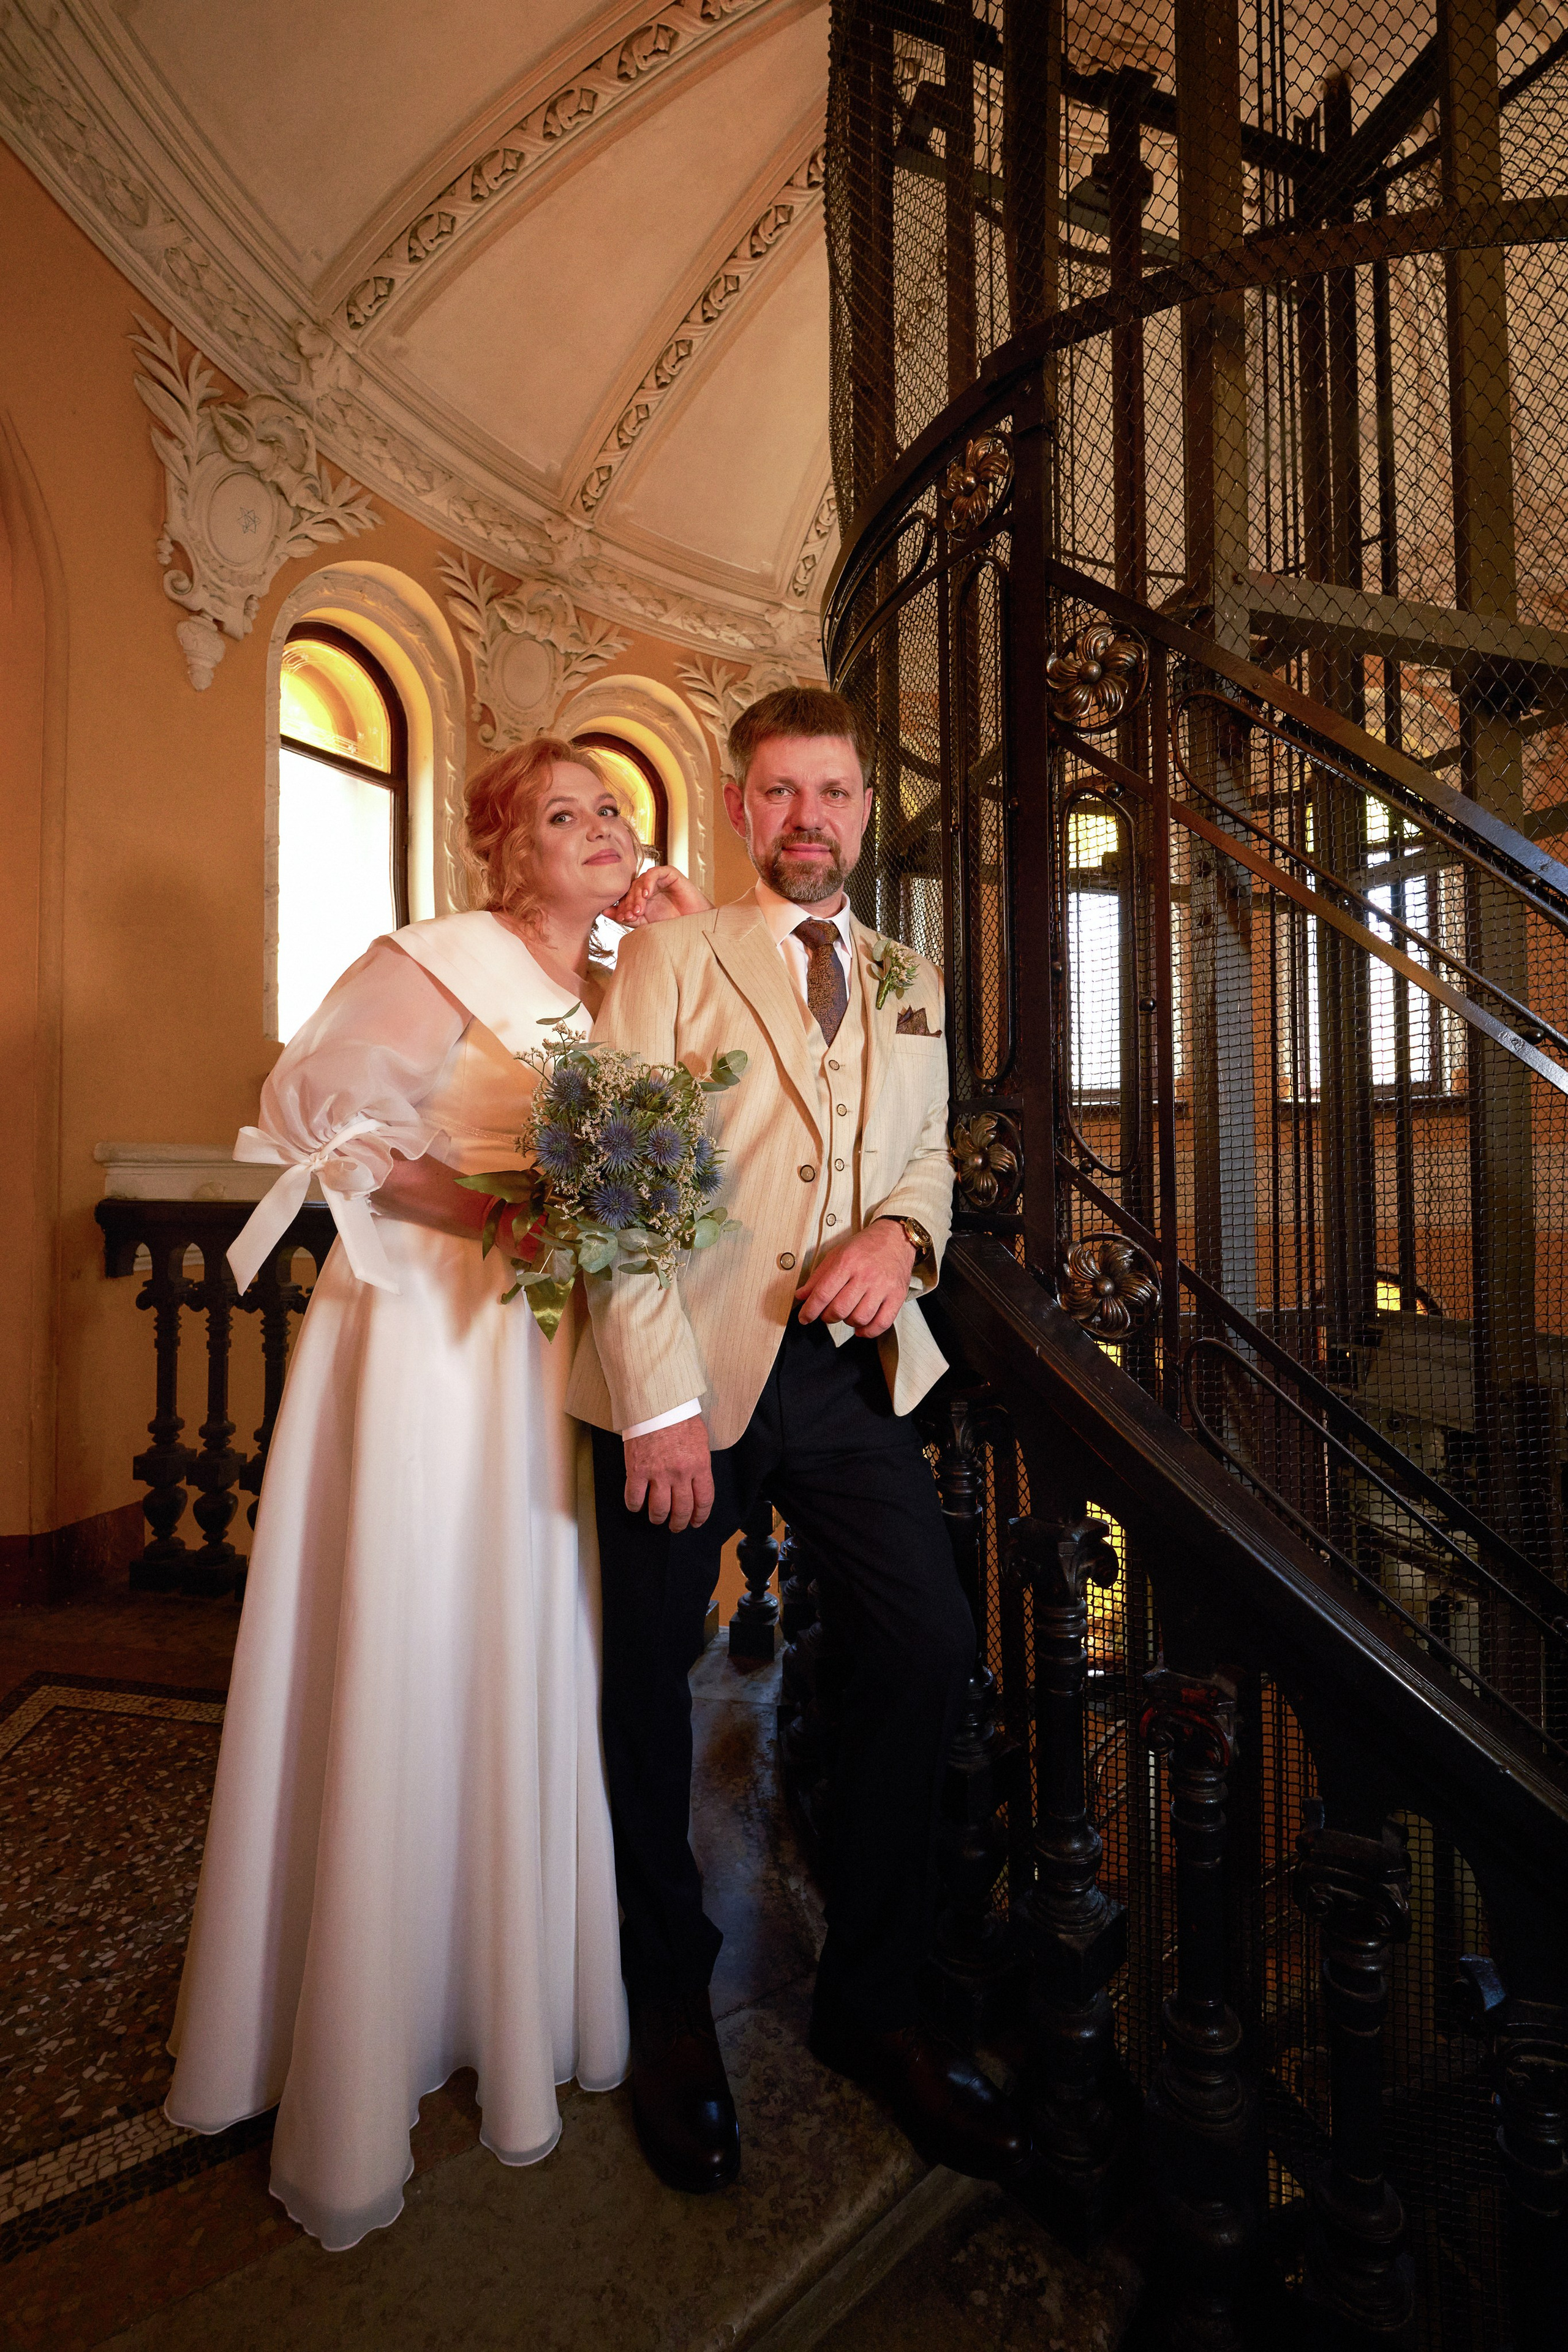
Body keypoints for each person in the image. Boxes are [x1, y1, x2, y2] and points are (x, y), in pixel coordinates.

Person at [165, 737, 699, 2249]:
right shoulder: (439, 959)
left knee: (533, 1640)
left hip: (542, 1359)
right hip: (425, 1338)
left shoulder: (615, 983)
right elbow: (311, 1110)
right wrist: (491, 1211)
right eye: (564, 814)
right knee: (413, 1631)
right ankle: (367, 2004)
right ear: (503, 850)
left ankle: (502, 1973)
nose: (599, 829)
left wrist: (654, 951)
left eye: (613, 810)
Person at [567, 685, 1032, 2195]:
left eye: (830, 793)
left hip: (842, 1387)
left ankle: (871, 2005)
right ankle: (667, 2004)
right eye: (777, 794)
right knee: (643, 1684)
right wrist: (653, 1395)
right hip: (688, 1374)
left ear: (862, 809)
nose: (806, 819)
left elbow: (924, 1159)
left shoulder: (911, 974)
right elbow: (621, 1180)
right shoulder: (667, 955)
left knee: (924, 1647)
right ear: (740, 803)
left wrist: (899, 1233)